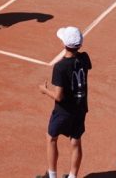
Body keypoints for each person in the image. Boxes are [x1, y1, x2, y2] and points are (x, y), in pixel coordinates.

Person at [39, 26, 92, 178]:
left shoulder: (60, 67)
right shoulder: (84, 58)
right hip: (80, 108)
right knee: (75, 142)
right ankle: (72, 176)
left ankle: (52, 176)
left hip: (63, 112)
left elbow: (59, 96)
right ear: (80, 45)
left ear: (64, 44)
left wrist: (44, 90)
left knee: (51, 138)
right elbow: (82, 63)